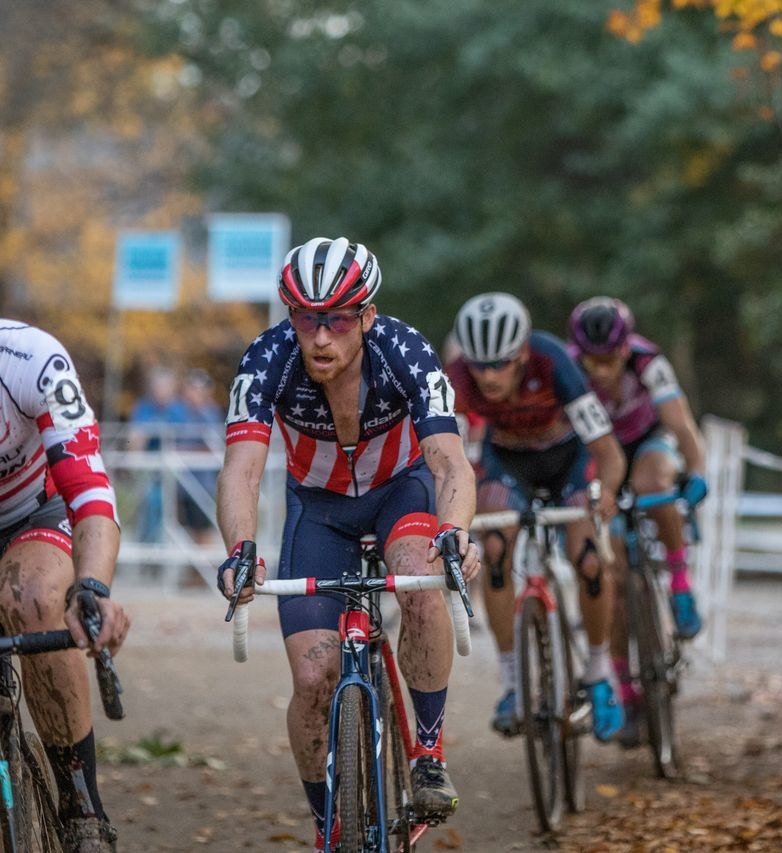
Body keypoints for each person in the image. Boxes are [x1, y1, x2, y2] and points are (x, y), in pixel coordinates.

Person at [215, 237, 482, 850]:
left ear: (366, 315)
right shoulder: (267, 358)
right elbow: (242, 470)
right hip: (319, 508)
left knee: (419, 583)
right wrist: (241, 548)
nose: (320, 337)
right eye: (306, 318)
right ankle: (326, 823)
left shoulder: (406, 352)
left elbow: (448, 464)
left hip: (400, 492)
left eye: (336, 318)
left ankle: (429, 753)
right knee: (313, 678)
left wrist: (455, 530)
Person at [446, 292, 627, 742]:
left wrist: (604, 493)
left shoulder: (553, 362)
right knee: (493, 546)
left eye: (501, 364)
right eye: (479, 365)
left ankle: (600, 672)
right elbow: (443, 456)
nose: (488, 376)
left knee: (588, 559)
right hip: (508, 465)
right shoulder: (456, 379)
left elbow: (608, 451)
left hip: (569, 459)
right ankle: (512, 683)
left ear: (523, 353)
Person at [0, 320, 131, 852]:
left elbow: (89, 488)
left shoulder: (29, 358)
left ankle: (81, 807)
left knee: (32, 599)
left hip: (35, 510)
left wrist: (93, 586)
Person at [565, 297, 708, 744]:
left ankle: (681, 584)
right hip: (600, 454)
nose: (602, 371)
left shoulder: (649, 362)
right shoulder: (568, 370)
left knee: (655, 487)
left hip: (647, 441)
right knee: (614, 580)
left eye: (610, 360)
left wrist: (698, 472)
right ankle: (626, 687)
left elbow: (682, 427)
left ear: (626, 349)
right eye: (593, 361)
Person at [128, 365, 186, 544]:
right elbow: (135, 438)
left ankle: (161, 551)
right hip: (149, 470)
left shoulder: (179, 410)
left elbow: (184, 438)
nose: (160, 390)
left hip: (173, 471)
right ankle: (147, 551)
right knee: (148, 506)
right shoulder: (143, 408)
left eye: (164, 386)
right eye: (157, 386)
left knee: (166, 509)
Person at [175, 368, 224, 545]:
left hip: (202, 484)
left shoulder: (210, 414)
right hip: (181, 483)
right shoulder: (180, 412)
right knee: (186, 530)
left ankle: (201, 571)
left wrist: (184, 451)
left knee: (202, 529)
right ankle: (193, 570)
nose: (193, 393)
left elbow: (214, 447)